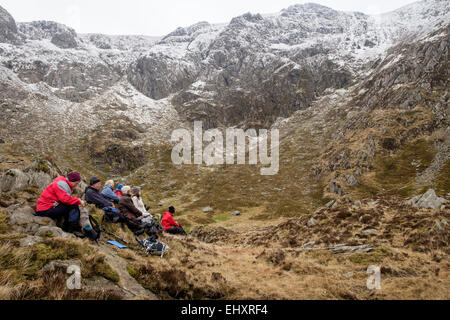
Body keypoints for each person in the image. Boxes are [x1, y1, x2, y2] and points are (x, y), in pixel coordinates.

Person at [34, 172, 96, 239]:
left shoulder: (62, 183)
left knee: (70, 206)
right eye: (76, 183)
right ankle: (72, 227)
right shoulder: (61, 185)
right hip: (45, 210)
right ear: (72, 181)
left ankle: (69, 226)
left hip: (45, 208)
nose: (76, 185)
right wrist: (79, 201)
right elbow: (65, 199)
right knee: (73, 206)